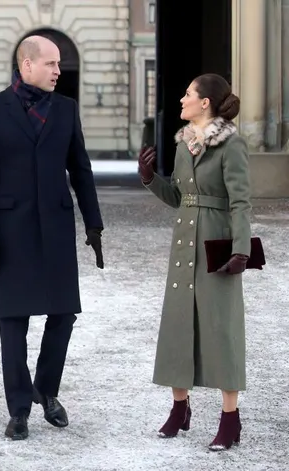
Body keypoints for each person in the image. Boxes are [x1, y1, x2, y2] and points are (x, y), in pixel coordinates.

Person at [0, 35, 104, 440]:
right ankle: (19, 410)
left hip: (57, 228)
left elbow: (81, 169)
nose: (58, 71)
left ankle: (45, 388)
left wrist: (93, 223)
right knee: (13, 320)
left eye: (59, 64)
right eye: (51, 64)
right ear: (27, 65)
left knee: (63, 313)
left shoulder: (66, 109)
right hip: (10, 232)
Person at [138, 73, 249, 451]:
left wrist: (241, 249)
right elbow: (178, 197)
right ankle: (179, 409)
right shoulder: (184, 144)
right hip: (184, 245)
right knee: (178, 324)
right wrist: (150, 179)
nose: (181, 99)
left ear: (205, 103)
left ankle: (230, 419)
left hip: (217, 244)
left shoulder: (232, 144)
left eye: (188, 94)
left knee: (221, 328)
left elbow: (240, 202)